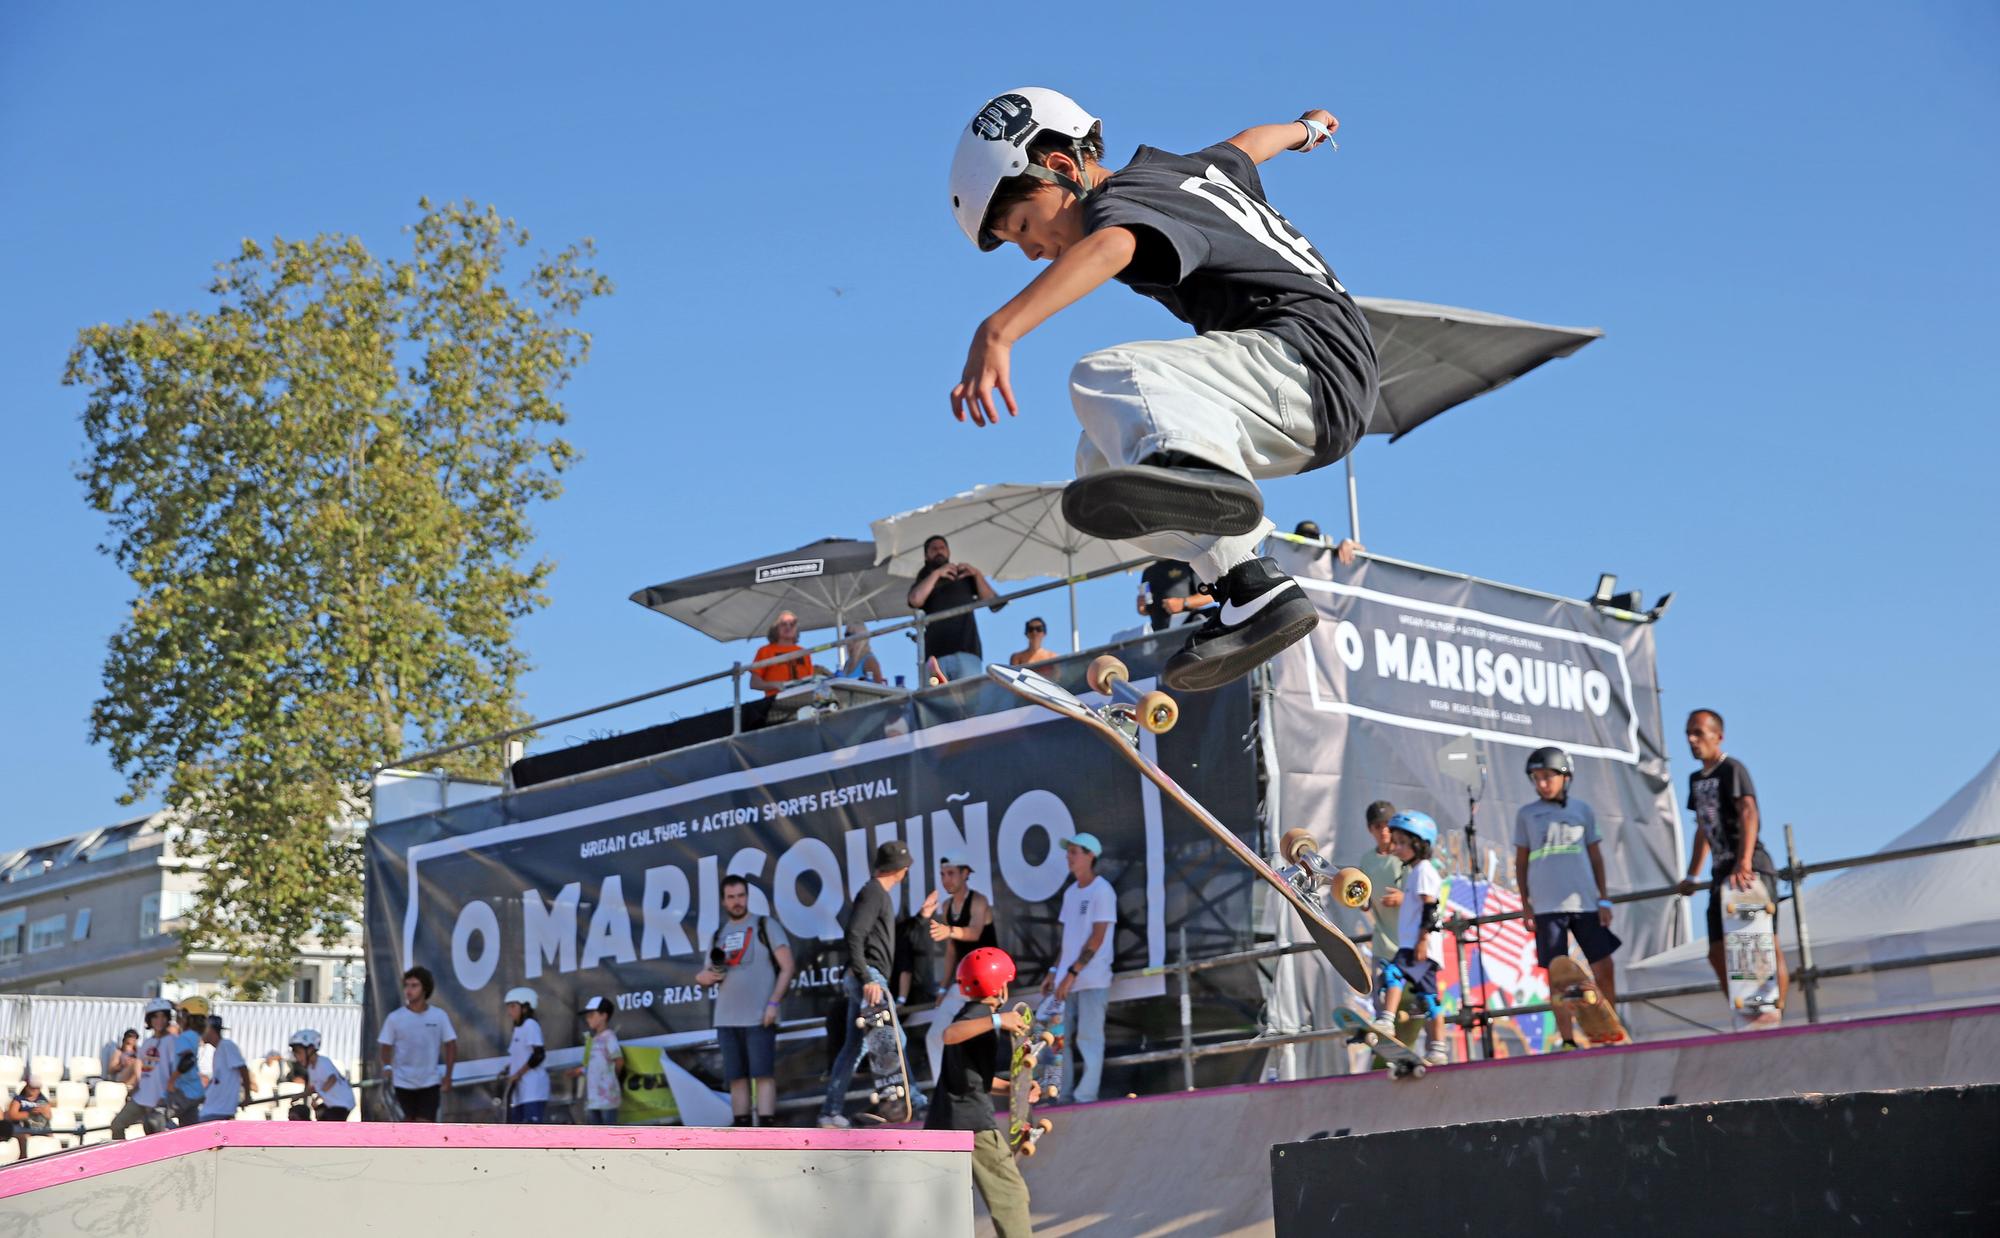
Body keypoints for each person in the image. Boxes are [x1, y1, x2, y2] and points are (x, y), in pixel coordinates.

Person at [948, 88, 1377, 693]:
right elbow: (1251, 144)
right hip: (1316, 388)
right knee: (1097, 460)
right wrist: (1306, 129)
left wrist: (1000, 330)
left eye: (1023, 227)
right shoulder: (1192, 170)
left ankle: (1196, 471)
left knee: (1108, 376)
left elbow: (1114, 246)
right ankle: (1252, 588)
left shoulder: (1123, 201)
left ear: (1066, 171)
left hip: (1301, 359)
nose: (1032, 252)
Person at [1675, 709, 1788, 1021]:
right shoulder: (1696, 779)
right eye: (1688, 733)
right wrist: (1691, 874)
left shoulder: (1732, 769)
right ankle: (1743, 1012)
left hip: (1751, 869)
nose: (1692, 740)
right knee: (1716, 950)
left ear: (1718, 735)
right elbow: (1702, 827)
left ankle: (1774, 1010)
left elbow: (1749, 812)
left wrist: (1744, 860)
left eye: (1698, 733)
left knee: (1764, 944)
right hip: (1720, 873)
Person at [1512, 747, 1621, 1050]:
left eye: (1548, 776)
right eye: (1537, 778)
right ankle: (1568, 1038)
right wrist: (1525, 903)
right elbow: (1521, 862)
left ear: (1565, 777)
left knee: (1604, 966)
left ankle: (1609, 1028)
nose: (1542, 783)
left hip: (1585, 903)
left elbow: (1596, 857)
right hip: (1547, 907)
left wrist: (1604, 899)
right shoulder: (1526, 815)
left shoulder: (1582, 810)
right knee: (1558, 978)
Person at [929, 947, 1038, 1238]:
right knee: (1011, 1195)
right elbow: (949, 1035)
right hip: (972, 1127)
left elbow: (977, 1080)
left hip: (943, 1124)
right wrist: (999, 1020)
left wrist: (1018, 1088)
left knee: (943, 1207)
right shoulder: (979, 1018)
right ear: (1000, 985)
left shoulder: (972, 1016)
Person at [819, 840, 921, 1127]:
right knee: (895, 1040)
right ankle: (915, 1100)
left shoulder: (876, 894)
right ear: (899, 869)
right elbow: (854, 934)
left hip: (867, 976)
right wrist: (866, 977)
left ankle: (830, 1111)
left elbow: (867, 935)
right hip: (870, 978)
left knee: (854, 1047)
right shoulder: (874, 893)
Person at [694, 875, 797, 1127]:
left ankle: (766, 1128)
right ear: (723, 901)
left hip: (759, 1015)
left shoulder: (764, 925)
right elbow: (710, 973)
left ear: (747, 897)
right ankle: (741, 1129)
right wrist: (704, 977)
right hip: (726, 1018)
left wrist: (773, 1003)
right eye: (731, 897)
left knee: (763, 1075)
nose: (737, 902)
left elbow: (788, 966)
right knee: (736, 1078)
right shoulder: (718, 934)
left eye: (741, 896)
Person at [1374, 811, 1449, 1066]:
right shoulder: (1416, 871)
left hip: (1418, 944)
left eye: (1403, 843)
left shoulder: (1424, 870)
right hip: (1421, 945)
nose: (1397, 848)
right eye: (1395, 842)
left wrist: (1422, 940)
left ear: (1420, 844)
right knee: (1429, 998)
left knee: (1392, 973)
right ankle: (1438, 1049)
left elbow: (1431, 907)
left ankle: (1386, 1021)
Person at [1045, 832, 1115, 1104]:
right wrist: (1054, 972)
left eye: (1074, 852)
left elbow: (1097, 938)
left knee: (1089, 1038)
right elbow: (1069, 940)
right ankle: (1062, 1095)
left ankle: (1086, 1096)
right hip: (1066, 980)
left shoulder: (1102, 890)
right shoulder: (1071, 893)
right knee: (1059, 1040)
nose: (1069, 857)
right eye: (1069, 851)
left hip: (1093, 980)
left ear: (1090, 856)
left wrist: (1072, 973)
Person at [925, 855, 997, 1086]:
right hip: (962, 984)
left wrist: (949, 931)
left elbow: (974, 933)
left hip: (987, 984)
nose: (946, 879)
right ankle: (941, 1091)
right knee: (935, 1036)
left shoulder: (978, 901)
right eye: (943, 874)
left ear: (966, 873)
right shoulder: (946, 907)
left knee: (980, 1040)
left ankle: (987, 1090)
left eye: (951, 873)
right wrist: (944, 986)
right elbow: (951, 952)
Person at [907, 535, 1002, 681]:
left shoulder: (963, 576)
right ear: (926, 555)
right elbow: (915, 599)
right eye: (934, 549)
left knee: (969, 701)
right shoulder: (925, 580)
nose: (939, 551)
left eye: (942, 548)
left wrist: (977, 574)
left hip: (967, 652)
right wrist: (937, 573)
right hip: (935, 656)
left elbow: (993, 602)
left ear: (949, 552)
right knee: (936, 702)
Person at [377, 965, 457, 1122]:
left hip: (430, 1082)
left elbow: (451, 1045)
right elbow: (385, 1046)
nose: (409, 990)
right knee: (407, 1127)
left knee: (424, 1126)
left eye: (414, 985)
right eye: (406, 985)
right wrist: (387, 1066)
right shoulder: (395, 1017)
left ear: (425, 988)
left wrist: (448, 1076)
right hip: (402, 1082)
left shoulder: (439, 1016)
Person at [111, 998, 175, 1139]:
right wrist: (136, 1086)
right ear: (149, 1020)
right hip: (141, 1097)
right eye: (155, 1017)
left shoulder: (172, 1042)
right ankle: (124, 1158)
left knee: (157, 1137)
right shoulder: (147, 1042)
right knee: (117, 1124)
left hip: (160, 1101)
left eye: (163, 1016)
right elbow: (140, 1066)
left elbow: (176, 1071)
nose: (159, 1020)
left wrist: (167, 1095)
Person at [569, 996, 625, 1125]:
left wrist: (610, 1079)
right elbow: (596, 1064)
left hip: (607, 1099)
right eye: (587, 1015)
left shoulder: (609, 1036)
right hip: (593, 1098)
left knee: (608, 1134)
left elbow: (619, 1060)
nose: (588, 1018)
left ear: (604, 1016)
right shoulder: (593, 1040)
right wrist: (580, 1071)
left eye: (591, 1015)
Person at [500, 987, 549, 1123]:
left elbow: (538, 1055)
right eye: (508, 1007)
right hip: (521, 1092)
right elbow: (521, 1056)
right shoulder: (518, 1028)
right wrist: (508, 1068)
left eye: (513, 1006)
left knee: (532, 1133)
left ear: (525, 1007)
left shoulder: (530, 1025)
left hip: (533, 1090)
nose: (510, 1011)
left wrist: (518, 1074)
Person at [749, 611, 821, 697]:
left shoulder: (804, 652)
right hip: (777, 699)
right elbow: (754, 683)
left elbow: (810, 680)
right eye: (783, 624)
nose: (788, 627)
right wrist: (774, 685)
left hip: (804, 697)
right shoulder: (765, 650)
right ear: (775, 628)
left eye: (792, 624)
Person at [287, 1029, 353, 1122]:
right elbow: (313, 1088)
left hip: (340, 1104)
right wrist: (300, 1095)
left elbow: (332, 1079)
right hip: (331, 1104)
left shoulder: (322, 1062)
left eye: (298, 1052)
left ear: (310, 1049)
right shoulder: (311, 1068)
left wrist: (319, 1097)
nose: (296, 1057)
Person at [165, 996, 209, 1128]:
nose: (178, 1017)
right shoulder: (195, 1035)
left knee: (156, 1117)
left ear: (187, 1017)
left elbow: (187, 1060)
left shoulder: (184, 1037)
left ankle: (171, 1143)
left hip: (184, 1092)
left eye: (181, 1014)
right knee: (189, 1129)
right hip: (195, 1091)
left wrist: (171, 1081)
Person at [197, 1017, 251, 1123]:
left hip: (219, 1111)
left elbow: (243, 1069)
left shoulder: (227, 1045)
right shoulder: (219, 1049)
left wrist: (247, 1095)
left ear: (210, 1030)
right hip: (214, 1110)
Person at [5, 1076, 53, 1157]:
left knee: (51, 1136)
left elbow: (49, 1116)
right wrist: (29, 1114)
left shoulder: (43, 1100)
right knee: (23, 1137)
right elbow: (12, 1115)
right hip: (22, 1127)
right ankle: (23, 1158)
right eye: (32, 1088)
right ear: (27, 1087)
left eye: (37, 1088)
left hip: (38, 1126)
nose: (35, 1090)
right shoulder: (19, 1099)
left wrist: (42, 1112)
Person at [1289, 519, 1362, 565]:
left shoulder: (1329, 557)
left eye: (1313, 536)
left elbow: (1361, 550)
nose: (1308, 539)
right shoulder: (1285, 558)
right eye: (1303, 536)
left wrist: (1348, 543)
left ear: (1319, 538)